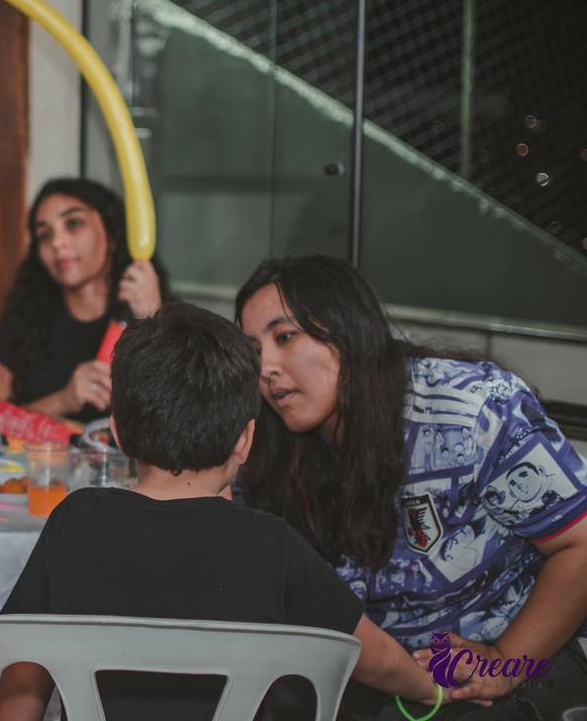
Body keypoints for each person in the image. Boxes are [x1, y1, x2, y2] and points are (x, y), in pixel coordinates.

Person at [0, 302, 443, 721]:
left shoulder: (75, 519)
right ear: (245, 441)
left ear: (117, 434)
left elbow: (20, 670)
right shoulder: (272, 543)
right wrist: (429, 691)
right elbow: (376, 658)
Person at [235, 255, 587, 720]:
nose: (267, 368)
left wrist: (504, 659)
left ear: (347, 329)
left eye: (284, 336)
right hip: (375, 671)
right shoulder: (268, 444)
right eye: (253, 350)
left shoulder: (468, 409)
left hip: (515, 654)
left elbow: (579, 542)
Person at [0, 178, 171, 424]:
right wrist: (62, 400)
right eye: (45, 234)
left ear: (112, 234)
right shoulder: (23, 317)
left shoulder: (159, 314)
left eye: (73, 223)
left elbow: (181, 422)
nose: (57, 242)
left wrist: (152, 319)